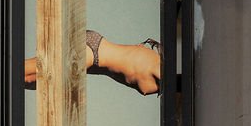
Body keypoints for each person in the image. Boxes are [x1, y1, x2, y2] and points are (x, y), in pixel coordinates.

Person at [24, 32, 161, 95]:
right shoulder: (157, 66)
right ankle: (3, 66)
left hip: (93, 51)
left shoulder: (158, 76)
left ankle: (4, 74)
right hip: (93, 49)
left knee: (29, 80)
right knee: (36, 69)